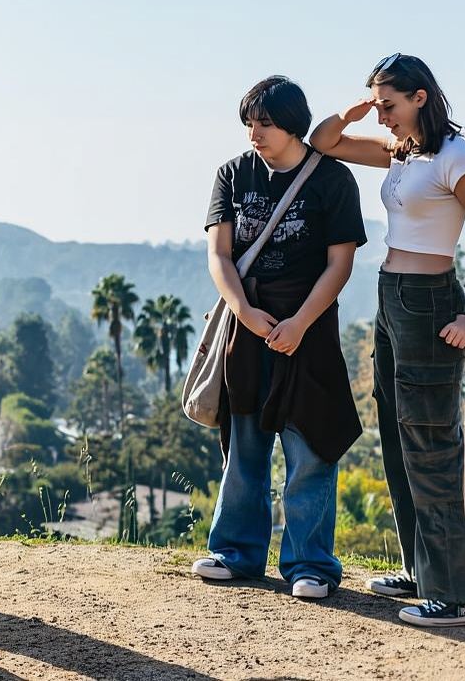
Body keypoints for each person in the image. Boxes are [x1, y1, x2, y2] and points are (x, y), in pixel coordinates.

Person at [191, 76, 365, 600]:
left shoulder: (332, 180)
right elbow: (219, 254)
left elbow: (340, 263)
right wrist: (244, 311)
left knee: (310, 443)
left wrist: (300, 323)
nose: (254, 134)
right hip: (248, 324)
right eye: (249, 123)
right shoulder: (233, 174)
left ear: (292, 123)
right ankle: (235, 554)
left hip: (308, 324)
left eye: (264, 123)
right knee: (244, 441)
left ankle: (311, 564)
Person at [309, 53, 465, 627]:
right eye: (378, 105)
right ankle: (421, 569)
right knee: (398, 435)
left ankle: (451, 594)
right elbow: (325, 141)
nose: (382, 117)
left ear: (421, 97)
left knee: (431, 442)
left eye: (390, 104)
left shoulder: (456, 155)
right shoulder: (403, 154)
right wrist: (359, 105)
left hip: (430, 301)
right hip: (391, 296)